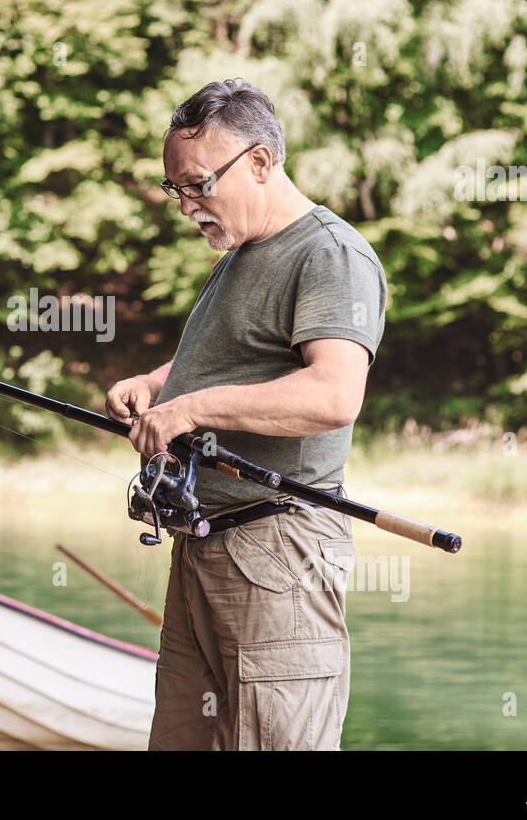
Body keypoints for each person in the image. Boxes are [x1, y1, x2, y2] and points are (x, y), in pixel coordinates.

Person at [105, 80, 386, 750]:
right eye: (176, 190)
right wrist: (153, 385)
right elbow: (225, 367)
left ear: (260, 162)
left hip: (278, 555)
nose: (186, 206)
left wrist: (191, 408)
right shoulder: (239, 255)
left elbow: (333, 394)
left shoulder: (330, 255)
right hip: (201, 549)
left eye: (197, 184)